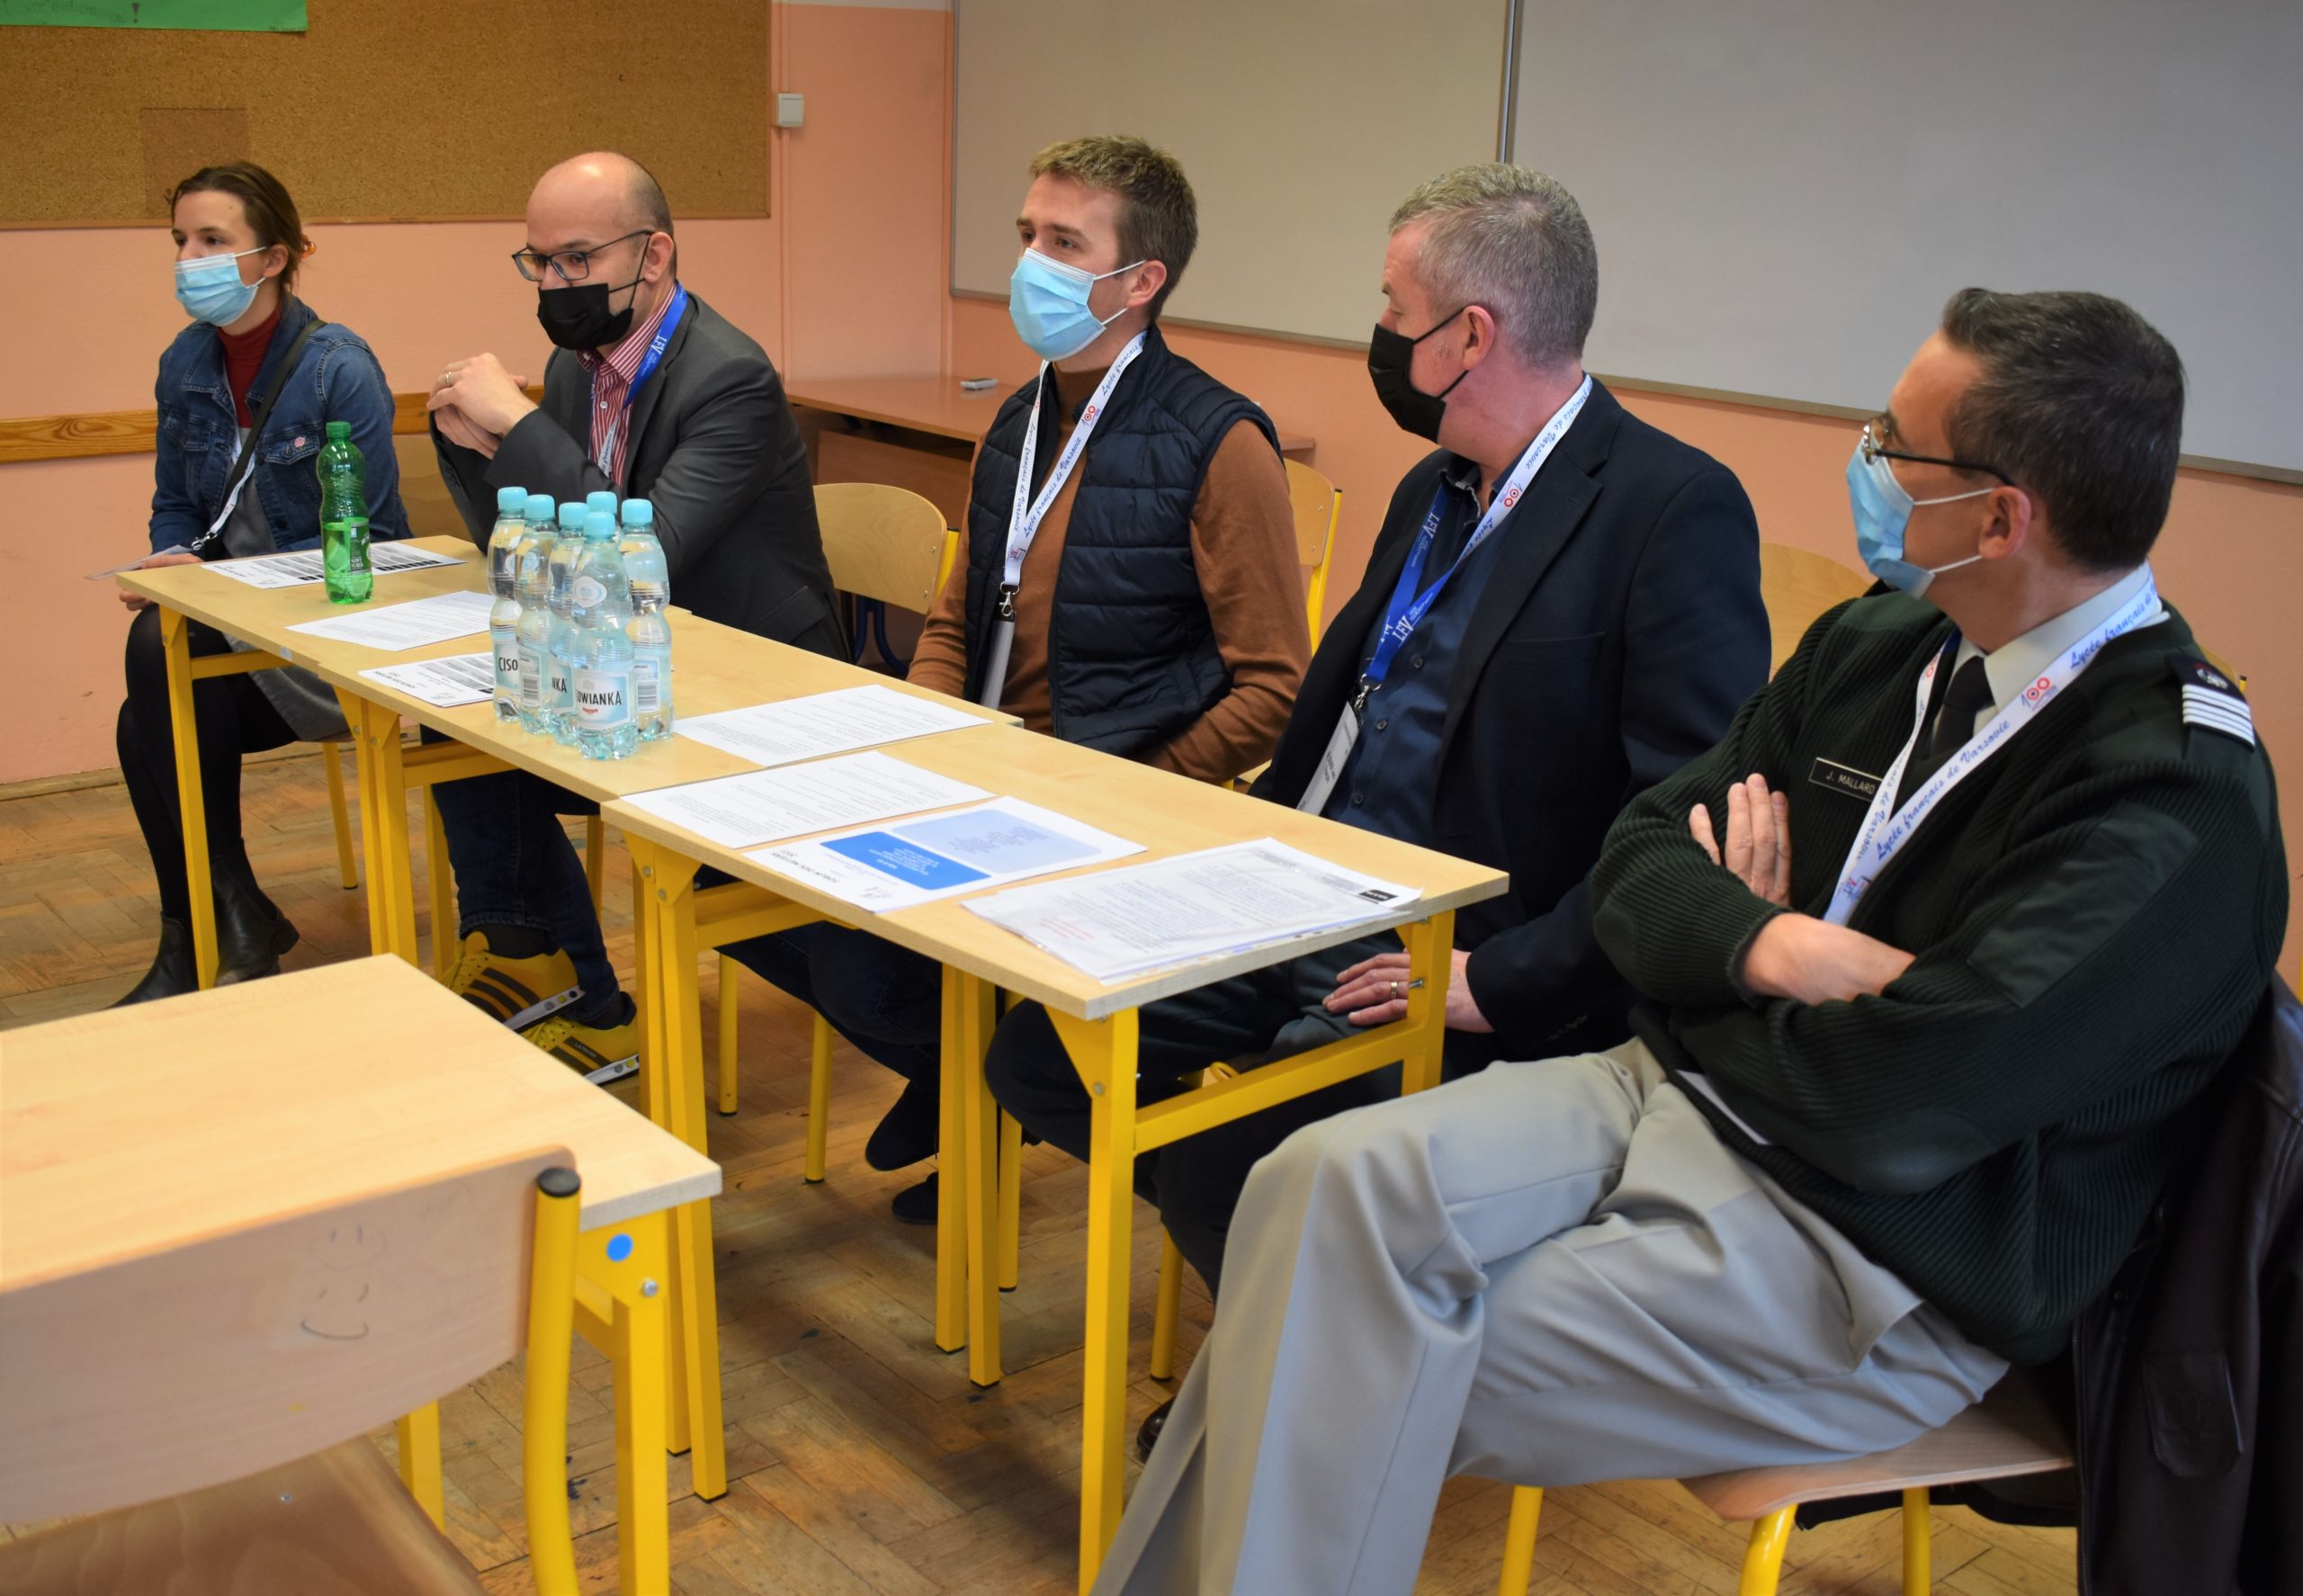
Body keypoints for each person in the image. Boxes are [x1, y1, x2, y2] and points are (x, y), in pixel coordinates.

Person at [1086, 287, 2288, 1595]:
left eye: (1893, 445)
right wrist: (1773, 949)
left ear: (2001, 518)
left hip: (1877, 1247)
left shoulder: (2170, 791)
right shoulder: (1881, 643)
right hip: (1673, 1088)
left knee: (1332, 1337)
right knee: (1302, 1194)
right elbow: (1641, 858)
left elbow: (1901, 1106)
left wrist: (1708, 960)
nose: (1865, 463)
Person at [984, 161, 1769, 1401]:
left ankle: (1315, 1386)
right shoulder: (1435, 484)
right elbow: (1340, 715)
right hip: (1301, 894)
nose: (1381, 334)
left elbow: (1679, 827)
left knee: (1229, 1163)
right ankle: (1329, 1303)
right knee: (1039, 1052)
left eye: (1395, 310)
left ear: (1471, 336)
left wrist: (1497, 982)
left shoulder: (1669, 509)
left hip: (1459, 957)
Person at [720, 135, 1308, 1219]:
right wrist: (926, 741)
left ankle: (979, 1086)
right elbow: (957, 614)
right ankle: (964, 1083)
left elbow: (1274, 688)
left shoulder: (1217, 441)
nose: (1030, 263)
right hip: (985, 781)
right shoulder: (1020, 417)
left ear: (1140, 280)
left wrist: (1132, 786)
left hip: (1106, 805)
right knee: (751, 891)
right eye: (1027, 234)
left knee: (863, 967)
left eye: (1064, 242)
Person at [424, 150, 842, 1080]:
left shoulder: (731, 377)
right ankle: (550, 969)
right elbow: (543, 545)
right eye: (539, 262)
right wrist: (476, 446)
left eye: (577, 259)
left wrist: (518, 426)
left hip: (755, 685)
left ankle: (569, 981)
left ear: (653, 256)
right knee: (464, 726)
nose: (555, 285)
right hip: (640, 661)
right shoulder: (576, 368)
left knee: (512, 739)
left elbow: (637, 559)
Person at [113, 163, 406, 1005]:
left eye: (213, 241)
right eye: (180, 241)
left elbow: (369, 542)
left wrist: (223, 588)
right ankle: (216, 922)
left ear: (273, 258)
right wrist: (172, 561)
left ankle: (219, 928)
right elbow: (175, 504)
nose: (188, 260)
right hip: (234, 635)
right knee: (148, 703)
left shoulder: (337, 368)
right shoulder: (184, 362)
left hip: (331, 638)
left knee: (153, 683)